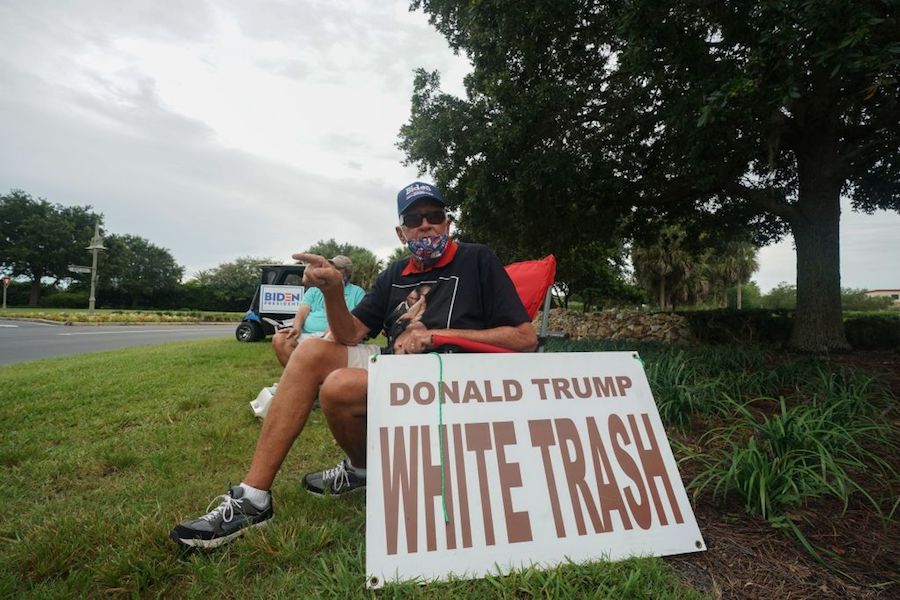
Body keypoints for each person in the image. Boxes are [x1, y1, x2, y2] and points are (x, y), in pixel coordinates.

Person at [170, 181, 537, 549]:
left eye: (434, 216)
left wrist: (437, 336)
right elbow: (350, 334)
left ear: (448, 223)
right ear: (401, 232)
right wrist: (331, 291)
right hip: (399, 370)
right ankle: (254, 498)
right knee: (312, 351)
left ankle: (358, 469)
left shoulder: (476, 259)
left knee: (339, 386)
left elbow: (524, 338)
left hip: (454, 375)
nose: (425, 225)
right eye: (414, 218)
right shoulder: (394, 273)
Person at [271, 255, 365, 367]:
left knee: (323, 343)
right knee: (279, 339)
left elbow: (356, 320)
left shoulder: (357, 292)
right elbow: (302, 312)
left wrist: (332, 332)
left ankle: (308, 379)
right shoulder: (314, 290)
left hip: (336, 338)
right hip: (308, 335)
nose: (332, 271)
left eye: (337, 268)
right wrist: (296, 327)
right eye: (330, 267)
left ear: (347, 272)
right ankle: (303, 380)